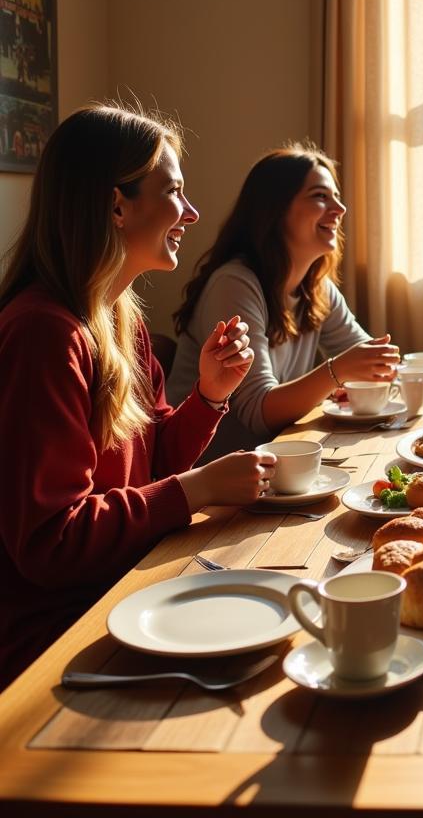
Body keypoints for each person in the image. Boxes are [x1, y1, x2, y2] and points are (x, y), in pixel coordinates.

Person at [0, 105, 272, 691]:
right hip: (54, 643)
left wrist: (209, 395)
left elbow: (152, 466)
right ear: (116, 206)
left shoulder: (120, 318)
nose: (192, 213)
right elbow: (50, 543)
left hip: (123, 592)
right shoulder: (43, 335)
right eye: (173, 191)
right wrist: (197, 490)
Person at [168, 145, 399, 457]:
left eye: (335, 196)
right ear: (275, 210)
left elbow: (372, 364)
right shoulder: (234, 283)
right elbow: (257, 413)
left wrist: (374, 367)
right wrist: (337, 372)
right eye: (320, 196)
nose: (340, 208)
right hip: (218, 472)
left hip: (278, 460)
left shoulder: (317, 288)